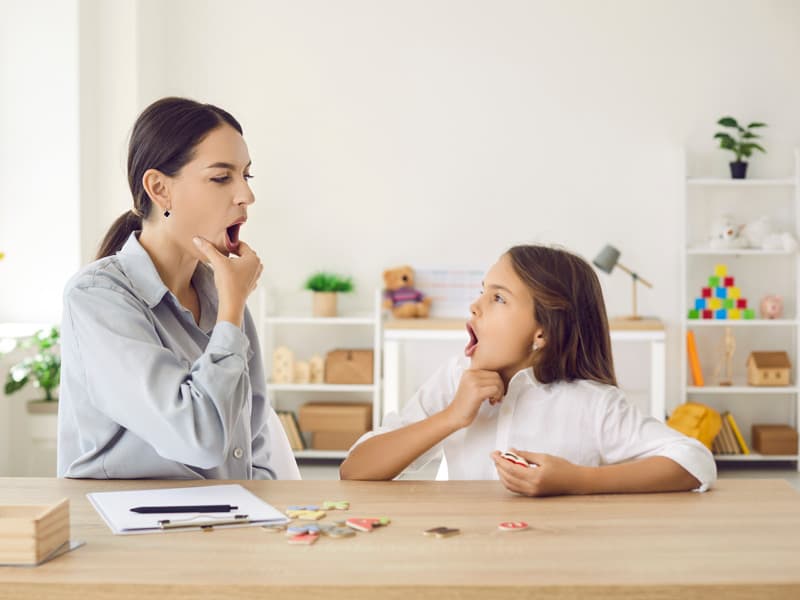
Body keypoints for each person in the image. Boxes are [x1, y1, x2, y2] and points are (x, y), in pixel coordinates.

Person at [340, 245, 716, 495]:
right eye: (482, 290)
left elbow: (694, 460)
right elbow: (355, 469)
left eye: (498, 297)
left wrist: (580, 481)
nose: (475, 306)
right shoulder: (456, 380)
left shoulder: (592, 402)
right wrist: (452, 416)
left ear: (543, 332)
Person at [57, 96, 295, 480]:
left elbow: (251, 444)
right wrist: (232, 312)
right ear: (159, 189)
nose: (246, 195)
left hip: (226, 526)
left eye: (246, 176)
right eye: (221, 177)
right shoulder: (97, 298)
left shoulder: (222, 296)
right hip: (133, 533)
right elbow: (199, 439)